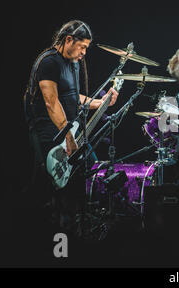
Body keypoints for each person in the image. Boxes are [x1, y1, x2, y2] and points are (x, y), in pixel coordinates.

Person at [23, 20, 118, 222]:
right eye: (82, 47)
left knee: (90, 168)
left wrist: (101, 102)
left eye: (86, 48)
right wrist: (68, 136)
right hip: (48, 130)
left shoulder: (73, 64)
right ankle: (40, 222)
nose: (84, 52)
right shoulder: (49, 62)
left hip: (67, 128)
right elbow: (52, 102)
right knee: (49, 185)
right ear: (68, 40)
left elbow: (74, 99)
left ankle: (75, 220)